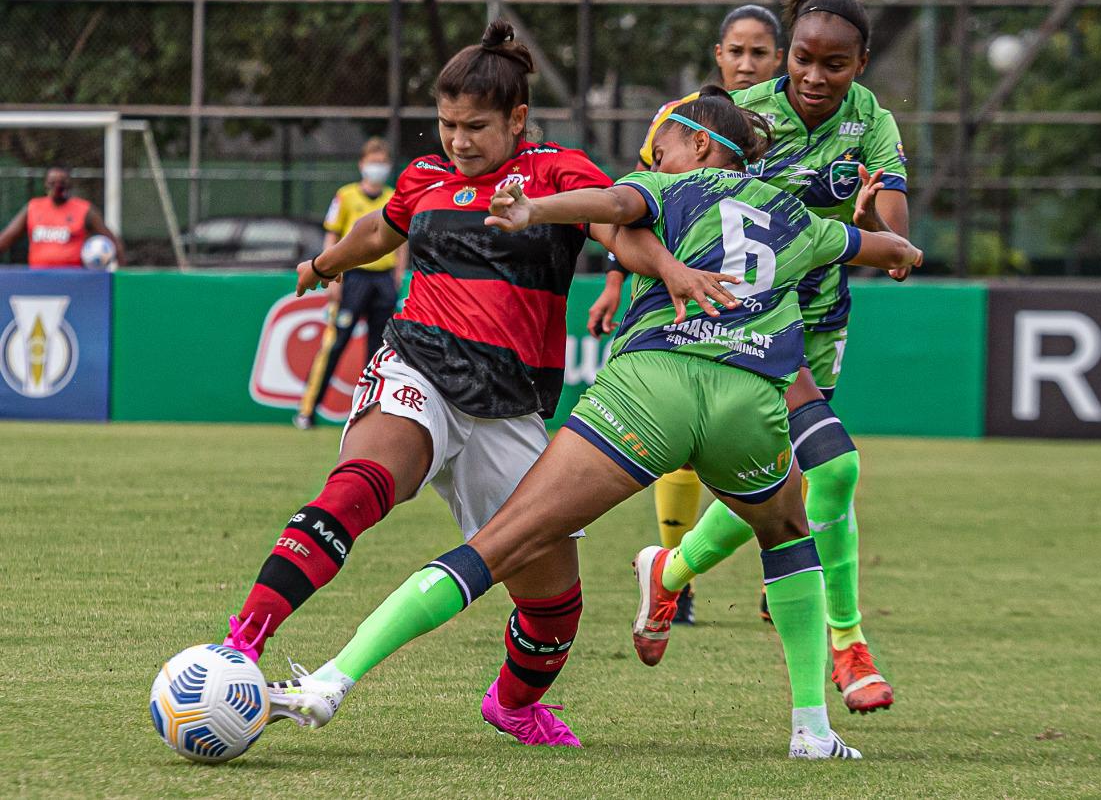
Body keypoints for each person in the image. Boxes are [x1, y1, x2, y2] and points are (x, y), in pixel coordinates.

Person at [261, 90, 921, 759]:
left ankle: (332, 680)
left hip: (651, 390)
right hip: (747, 403)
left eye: (663, 142)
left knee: (500, 544)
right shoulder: (797, 216)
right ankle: (811, 730)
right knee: (787, 535)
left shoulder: (665, 187)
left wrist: (534, 209)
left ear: (699, 144)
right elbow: (893, 251)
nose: (652, 155)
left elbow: (611, 204)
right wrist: (884, 234)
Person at [218, 19, 730, 745]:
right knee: (358, 487)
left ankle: (513, 705)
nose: (458, 141)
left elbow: (619, 229)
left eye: (475, 127)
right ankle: (241, 643)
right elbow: (379, 232)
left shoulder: (557, 172)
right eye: (447, 124)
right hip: (418, 364)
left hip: (510, 407)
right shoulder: (424, 178)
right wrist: (324, 264)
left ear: (517, 119)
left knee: (554, 609)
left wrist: (669, 269)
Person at [596, 0, 911, 714]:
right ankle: (848, 644)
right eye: (802, 58)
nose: (814, 76)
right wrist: (645, 273)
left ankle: (670, 571)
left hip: (820, 322)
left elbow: (897, 246)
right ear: (786, 52)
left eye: (834, 64)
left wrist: (873, 223)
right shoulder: (735, 117)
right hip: (747, 323)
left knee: (780, 481)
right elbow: (638, 204)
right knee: (833, 469)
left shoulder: (873, 121)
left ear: (861, 64)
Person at [588, 4, 786, 625]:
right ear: (718, 55)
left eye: (759, 53)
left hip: (766, 302)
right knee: (684, 439)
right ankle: (680, 576)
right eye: (736, 51)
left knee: (781, 441)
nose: (746, 63)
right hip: (684, 293)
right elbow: (637, 200)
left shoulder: (793, 118)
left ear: (779, 60)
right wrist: (615, 280)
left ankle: (775, 575)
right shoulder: (679, 119)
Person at [293, 137, 404, 430]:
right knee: (336, 343)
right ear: (362, 164)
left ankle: (370, 413)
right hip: (352, 277)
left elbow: (402, 242)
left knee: (378, 350)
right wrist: (330, 275)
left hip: (383, 279)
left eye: (382, 163)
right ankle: (307, 411)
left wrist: (397, 275)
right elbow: (332, 235)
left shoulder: (394, 196)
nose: (377, 168)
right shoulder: (346, 196)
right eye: (373, 162)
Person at [0, 166, 125, 267]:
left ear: (70, 184)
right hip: (38, 277)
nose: (57, 187)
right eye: (52, 182)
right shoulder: (33, 208)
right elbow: (6, 238)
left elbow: (114, 242)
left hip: (72, 278)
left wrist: (122, 276)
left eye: (62, 182)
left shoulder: (85, 210)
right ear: (45, 184)